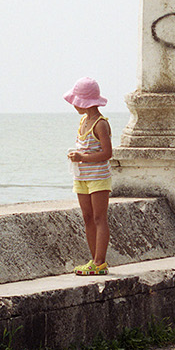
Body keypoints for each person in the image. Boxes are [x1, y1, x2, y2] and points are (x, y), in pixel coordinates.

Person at [65, 77, 113, 276]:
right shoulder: (83, 121)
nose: (74, 104)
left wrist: (82, 157)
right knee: (87, 218)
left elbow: (107, 153)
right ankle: (94, 261)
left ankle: (100, 262)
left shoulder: (100, 125)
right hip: (82, 177)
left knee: (99, 217)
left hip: (98, 177)